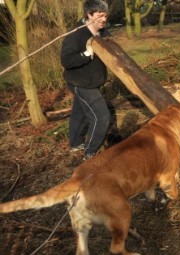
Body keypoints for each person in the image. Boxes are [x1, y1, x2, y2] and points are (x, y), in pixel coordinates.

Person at [61, 0, 111, 160]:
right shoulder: (75, 35)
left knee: (80, 112)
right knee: (101, 116)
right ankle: (90, 153)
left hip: (93, 81)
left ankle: (75, 143)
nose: (104, 19)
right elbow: (66, 61)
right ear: (89, 15)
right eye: (100, 15)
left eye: (105, 15)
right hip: (80, 82)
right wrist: (85, 54)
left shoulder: (103, 33)